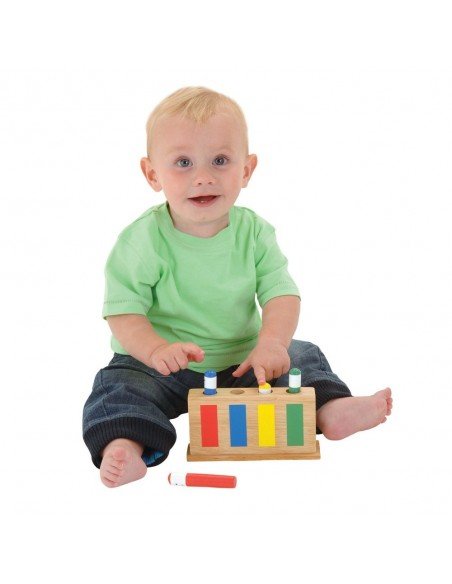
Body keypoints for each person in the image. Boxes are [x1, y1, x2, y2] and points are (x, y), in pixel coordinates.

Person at [82, 86, 393, 488]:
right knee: (117, 386)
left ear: (246, 170)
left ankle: (328, 409)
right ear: (152, 174)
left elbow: (281, 293)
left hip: (245, 362)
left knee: (301, 354)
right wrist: (156, 350)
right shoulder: (141, 241)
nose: (203, 177)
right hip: (159, 366)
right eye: (183, 163)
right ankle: (126, 444)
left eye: (220, 160)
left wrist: (272, 343)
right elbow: (124, 312)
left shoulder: (255, 233)